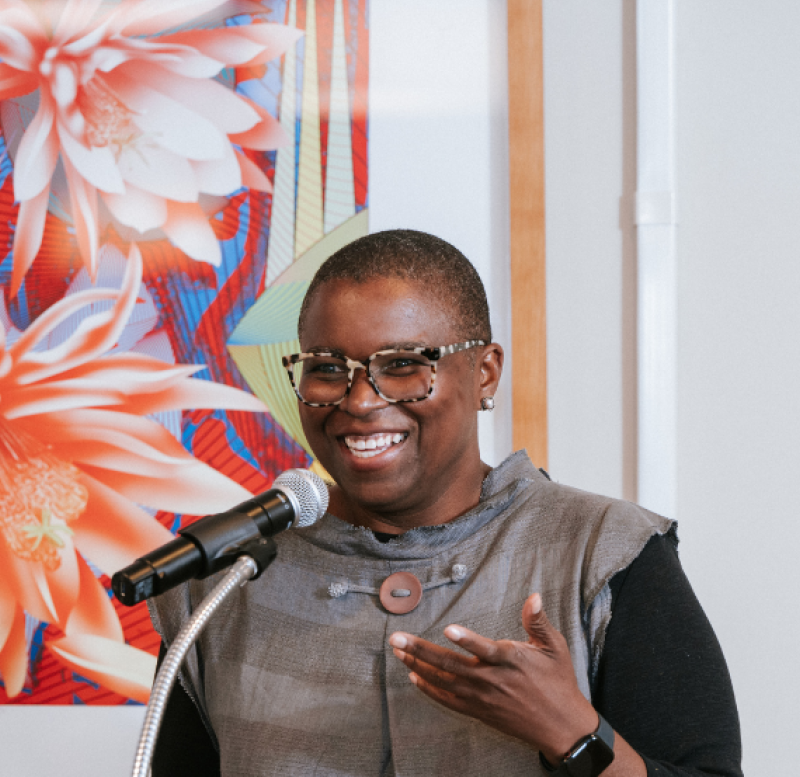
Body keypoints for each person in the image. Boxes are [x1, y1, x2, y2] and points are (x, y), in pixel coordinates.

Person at [150, 230, 742, 777]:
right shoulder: (225, 577)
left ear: (485, 373)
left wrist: (572, 733)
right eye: (329, 369)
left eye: (404, 365)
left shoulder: (603, 549)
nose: (359, 401)